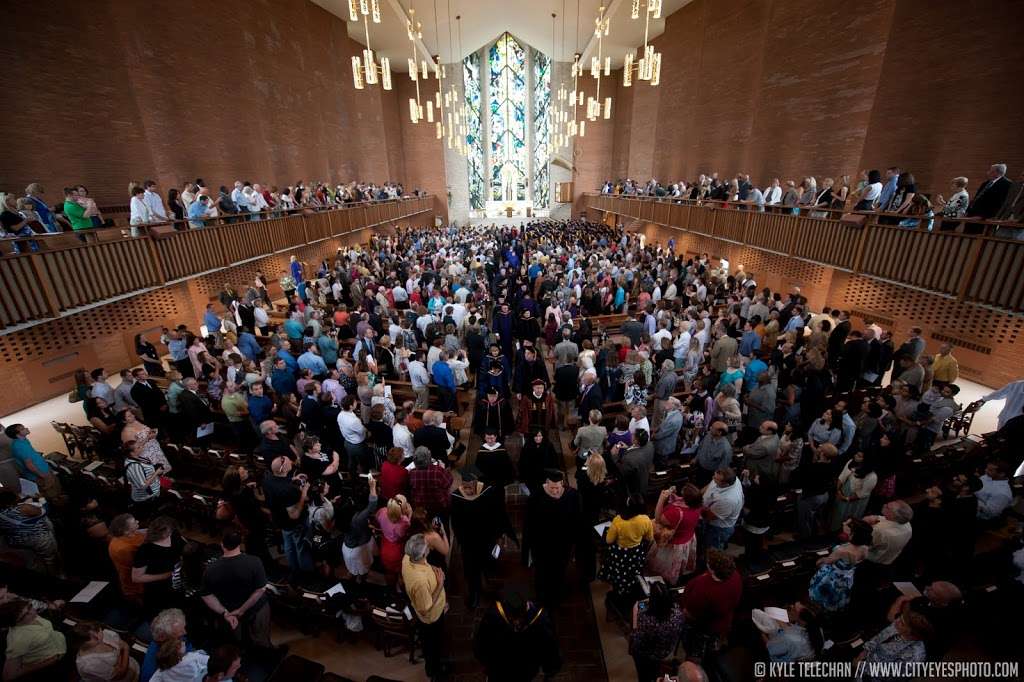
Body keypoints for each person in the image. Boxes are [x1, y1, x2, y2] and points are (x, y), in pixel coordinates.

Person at [451, 471, 517, 607]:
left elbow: (497, 515)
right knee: (471, 569)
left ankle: (490, 584)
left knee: (488, 563)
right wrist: (461, 538)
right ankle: (474, 593)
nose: (467, 490)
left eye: (469, 487)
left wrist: (499, 535)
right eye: (464, 486)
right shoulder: (457, 496)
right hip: (468, 542)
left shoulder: (487, 492)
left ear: (476, 484)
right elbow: (456, 521)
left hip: (487, 539)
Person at [200, 528, 272, 648]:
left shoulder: (210, 569)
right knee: (260, 639)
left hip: (229, 611)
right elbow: (260, 590)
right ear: (240, 543)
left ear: (222, 545)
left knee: (235, 643)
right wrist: (242, 610)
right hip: (256, 609)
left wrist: (225, 612)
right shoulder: (254, 562)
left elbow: (206, 595)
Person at [473, 588, 562, 681]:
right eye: (513, 618)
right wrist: (550, 668)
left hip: (513, 672)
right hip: (507, 672)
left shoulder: (539, 619)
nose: (517, 623)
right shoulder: (495, 615)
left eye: (519, 617)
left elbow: (481, 646)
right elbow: (482, 643)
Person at [522, 470, 582, 606]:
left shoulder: (571, 495)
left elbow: (577, 520)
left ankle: (557, 592)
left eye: (557, 487)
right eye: (552, 488)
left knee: (560, 569)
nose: (555, 491)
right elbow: (529, 525)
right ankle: (543, 595)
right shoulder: (536, 497)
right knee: (542, 572)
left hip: (563, 545)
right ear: (546, 483)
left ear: (562, 483)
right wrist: (527, 550)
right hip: (542, 545)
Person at [680, 549, 743, 664]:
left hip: (702, 626)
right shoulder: (735, 576)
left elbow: (690, 614)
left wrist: (683, 612)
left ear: (712, 569)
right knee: (712, 647)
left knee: (694, 650)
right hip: (722, 623)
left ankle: (692, 666)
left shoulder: (704, 589)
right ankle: (711, 657)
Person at [402, 534, 449, 680]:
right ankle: (435, 672)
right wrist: (440, 583)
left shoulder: (407, 558)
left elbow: (423, 565)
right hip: (431, 618)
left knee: (431, 643)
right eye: (427, 547)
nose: (429, 547)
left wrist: (432, 568)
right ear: (423, 553)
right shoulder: (420, 581)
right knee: (433, 646)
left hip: (436, 609)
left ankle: (433, 665)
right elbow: (426, 607)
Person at [261, 455, 312, 581]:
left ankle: (294, 569)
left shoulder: (267, 479)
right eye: (290, 462)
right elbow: (294, 515)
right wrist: (303, 493)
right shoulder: (288, 490)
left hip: (279, 519)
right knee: (301, 547)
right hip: (294, 523)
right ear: (283, 469)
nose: (292, 462)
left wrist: (293, 479)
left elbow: (280, 483)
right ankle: (306, 575)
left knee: (288, 545)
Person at [808, 518, 872, 613]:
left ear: (852, 532)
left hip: (833, 576)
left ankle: (820, 608)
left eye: (847, 524)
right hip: (847, 575)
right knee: (838, 592)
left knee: (825, 593)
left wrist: (819, 561)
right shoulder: (865, 547)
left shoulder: (842, 550)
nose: (843, 523)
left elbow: (828, 561)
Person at [647, 484, 702, 585]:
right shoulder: (697, 504)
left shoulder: (676, 513)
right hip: (687, 538)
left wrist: (661, 499)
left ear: (686, 499)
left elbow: (658, 519)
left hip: (673, 544)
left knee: (664, 567)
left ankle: (662, 582)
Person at [629, 582, 685, 682]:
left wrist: (634, 615)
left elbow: (636, 638)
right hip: (665, 650)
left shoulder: (646, 619)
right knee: (655, 669)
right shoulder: (677, 612)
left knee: (644, 674)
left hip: (646, 654)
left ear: (652, 601)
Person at [0, 599, 67, 680]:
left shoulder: (32, 616)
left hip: (60, 642)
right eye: (25, 615)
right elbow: (9, 675)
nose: (32, 611)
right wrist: (49, 661)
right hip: (52, 664)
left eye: (30, 607)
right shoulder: (18, 640)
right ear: (16, 622)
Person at [132, 516, 184, 616]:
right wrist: (164, 576)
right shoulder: (145, 550)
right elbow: (136, 578)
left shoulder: (174, 535)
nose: (170, 533)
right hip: (160, 591)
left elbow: (183, 547)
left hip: (178, 584)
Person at [0, 489, 61, 574]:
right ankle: (55, 575)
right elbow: (46, 510)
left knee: (33, 555)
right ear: (13, 499)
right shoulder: (24, 508)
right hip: (38, 538)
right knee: (50, 558)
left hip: (16, 539)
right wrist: (41, 499)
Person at [855, 609, 931, 677]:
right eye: (900, 617)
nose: (896, 621)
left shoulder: (914, 656)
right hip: (865, 659)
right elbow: (878, 637)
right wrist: (864, 652)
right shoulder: (897, 625)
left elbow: (887, 674)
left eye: (902, 623)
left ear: (911, 632)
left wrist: (860, 666)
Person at [5, 423, 63, 503]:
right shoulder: (20, 446)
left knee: (56, 486)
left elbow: (29, 455)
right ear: (17, 434)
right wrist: (43, 476)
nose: (26, 428)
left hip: (43, 468)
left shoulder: (23, 440)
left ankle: (60, 498)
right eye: (22, 429)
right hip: (40, 474)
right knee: (51, 493)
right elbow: (29, 464)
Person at [74, 621, 139, 682]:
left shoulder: (105, 634)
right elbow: (118, 675)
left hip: (125, 662)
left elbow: (120, 645)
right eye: (93, 637)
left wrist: (119, 661)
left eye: (98, 630)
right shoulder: (89, 664)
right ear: (82, 644)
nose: (99, 635)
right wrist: (126, 649)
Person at [701, 467, 744, 550]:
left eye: (716, 479)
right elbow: (710, 485)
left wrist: (692, 507)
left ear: (726, 484)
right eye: (714, 475)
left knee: (711, 550)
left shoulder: (728, 499)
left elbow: (709, 516)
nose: (713, 478)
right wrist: (697, 495)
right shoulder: (728, 478)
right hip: (711, 512)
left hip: (718, 529)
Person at [109, 513, 147, 604]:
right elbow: (138, 566)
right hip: (136, 585)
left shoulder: (131, 534)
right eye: (134, 522)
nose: (137, 522)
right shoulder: (123, 548)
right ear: (126, 531)